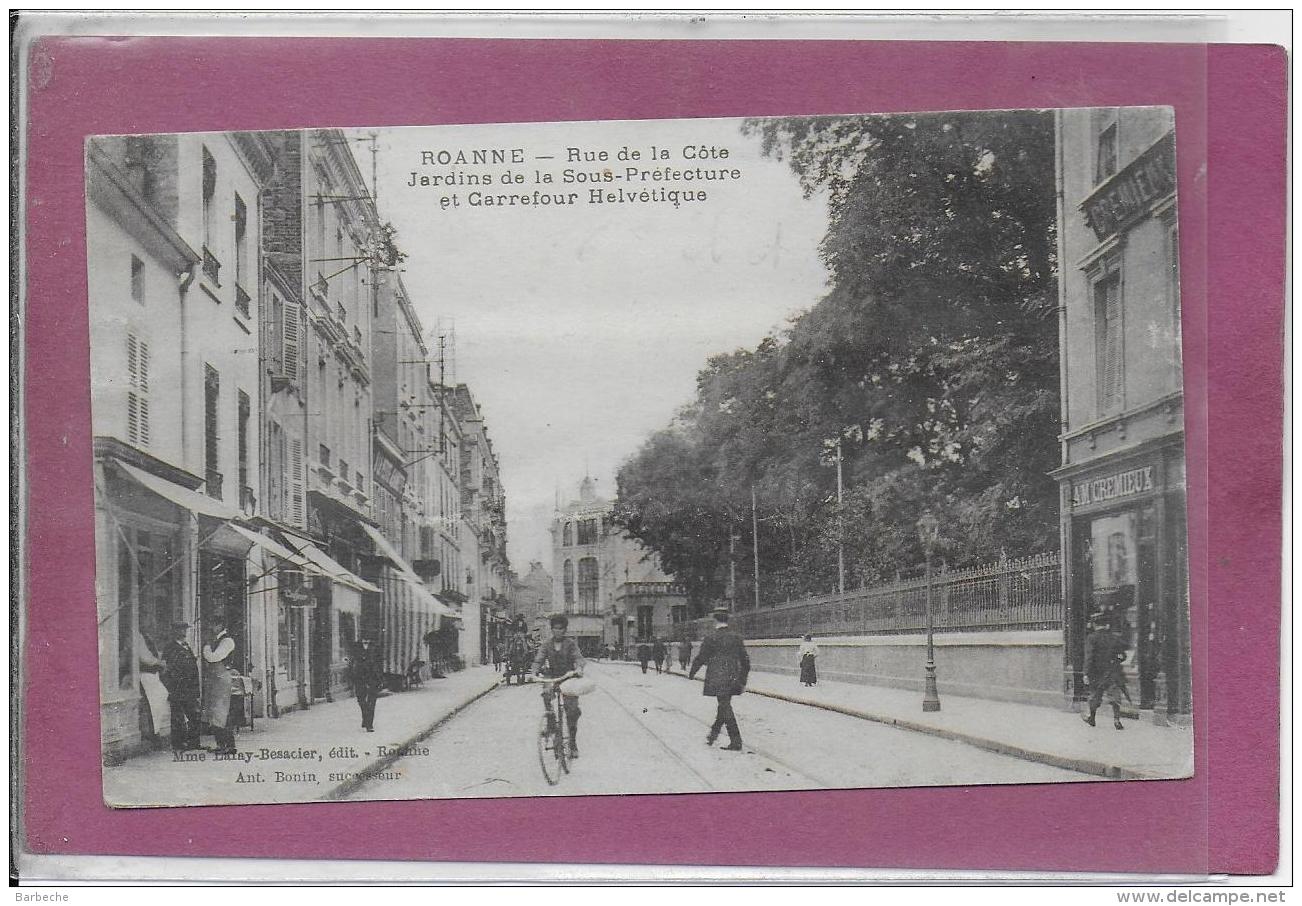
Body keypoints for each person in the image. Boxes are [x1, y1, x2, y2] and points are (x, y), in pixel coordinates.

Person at [690, 606, 750, 751]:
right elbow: (746, 662)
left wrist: (692, 672)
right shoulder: (736, 638)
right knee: (724, 705)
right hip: (732, 677)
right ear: (727, 620)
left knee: (724, 706)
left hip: (717, 678)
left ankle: (735, 741)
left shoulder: (711, 638)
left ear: (715, 620)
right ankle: (713, 734)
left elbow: (701, 658)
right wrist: (742, 680)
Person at [532, 614, 587, 758]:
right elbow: (538, 659)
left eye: (561, 628)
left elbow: (578, 657)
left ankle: (573, 743)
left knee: (572, 710)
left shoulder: (570, 644)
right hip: (552, 676)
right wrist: (534, 671)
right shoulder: (546, 645)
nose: (558, 631)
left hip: (568, 676)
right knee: (546, 693)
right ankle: (551, 724)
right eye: (555, 628)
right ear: (551, 629)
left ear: (565, 630)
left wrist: (579, 668)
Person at [1082, 613, 1129, 730]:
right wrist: (1117, 660)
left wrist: (1086, 673)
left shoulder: (1091, 638)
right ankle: (1117, 720)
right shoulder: (1114, 637)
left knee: (1094, 696)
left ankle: (1092, 718)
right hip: (1112, 672)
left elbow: (1089, 657)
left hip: (1096, 673)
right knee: (1115, 696)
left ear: (1094, 624)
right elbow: (1123, 655)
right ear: (1106, 624)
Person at [161, 621, 201, 752]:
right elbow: (169, 669)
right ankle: (178, 744)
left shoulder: (187, 646)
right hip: (178, 687)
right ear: (174, 631)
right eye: (180, 630)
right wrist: (172, 686)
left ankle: (193, 743)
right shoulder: (170, 648)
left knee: (194, 715)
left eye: (185, 630)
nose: (183, 632)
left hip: (190, 687)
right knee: (178, 716)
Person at [200, 613, 237, 754]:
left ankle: (228, 745)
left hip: (221, 678)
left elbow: (214, 657)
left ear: (220, 625)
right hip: (215, 678)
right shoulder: (217, 639)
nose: (211, 627)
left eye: (213, 624)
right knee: (213, 711)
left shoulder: (227, 641)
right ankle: (221, 744)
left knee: (221, 711)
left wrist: (206, 647)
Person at [351, 635, 383, 733]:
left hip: (373, 677)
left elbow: (380, 662)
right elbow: (352, 661)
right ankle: (365, 716)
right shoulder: (355, 646)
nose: (366, 640)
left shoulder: (376, 646)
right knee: (361, 699)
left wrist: (380, 677)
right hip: (359, 677)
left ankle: (369, 724)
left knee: (372, 701)